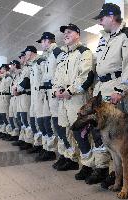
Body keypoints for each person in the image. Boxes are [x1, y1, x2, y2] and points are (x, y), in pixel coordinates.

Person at [73, 3, 128, 185]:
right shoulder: (103, 38)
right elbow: (98, 69)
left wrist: (121, 90)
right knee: (101, 134)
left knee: (120, 138)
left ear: (112, 17)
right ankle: (105, 170)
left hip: (117, 88)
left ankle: (119, 175)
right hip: (101, 89)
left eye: (101, 19)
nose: (100, 22)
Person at [53, 23, 94, 171]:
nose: (65, 34)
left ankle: (88, 165)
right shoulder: (64, 56)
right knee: (66, 131)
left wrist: (69, 91)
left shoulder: (84, 52)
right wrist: (55, 91)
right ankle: (72, 159)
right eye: (64, 33)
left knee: (80, 133)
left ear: (78, 34)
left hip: (76, 98)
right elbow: (56, 77)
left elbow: (86, 76)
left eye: (69, 32)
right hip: (63, 100)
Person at [35, 32, 64, 161]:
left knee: (59, 123)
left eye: (42, 41)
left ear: (47, 41)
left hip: (55, 90)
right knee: (51, 122)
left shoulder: (57, 52)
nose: (41, 44)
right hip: (47, 91)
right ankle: (52, 151)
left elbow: (62, 71)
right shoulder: (48, 55)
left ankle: (66, 155)